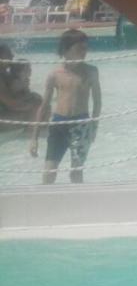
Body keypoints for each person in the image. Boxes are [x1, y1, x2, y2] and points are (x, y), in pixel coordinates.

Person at [30, 29, 101, 184]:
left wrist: (93, 128)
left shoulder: (91, 71)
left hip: (81, 125)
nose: (84, 52)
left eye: (85, 48)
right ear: (65, 50)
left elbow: (97, 102)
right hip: (58, 124)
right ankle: (46, 204)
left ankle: (78, 205)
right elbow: (44, 106)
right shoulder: (55, 74)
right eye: (79, 49)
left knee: (76, 174)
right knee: (48, 173)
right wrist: (34, 138)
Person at [1, 45, 43, 135]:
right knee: (39, 110)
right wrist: (30, 107)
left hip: (5, 112)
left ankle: (31, 133)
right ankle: (28, 136)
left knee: (39, 104)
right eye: (8, 54)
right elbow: (11, 103)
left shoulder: (5, 74)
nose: (12, 56)